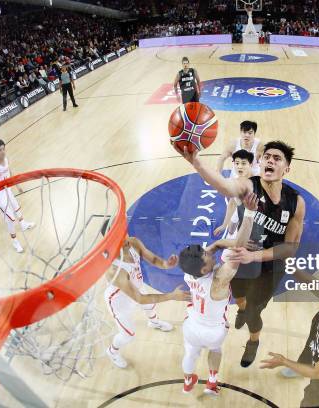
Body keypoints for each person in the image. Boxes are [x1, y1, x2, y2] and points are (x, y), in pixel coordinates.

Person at [177, 140, 306, 368]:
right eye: (267, 157)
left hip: (270, 265)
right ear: (260, 162)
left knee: (256, 311)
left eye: (277, 159)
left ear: (287, 168)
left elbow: (290, 248)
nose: (270, 160)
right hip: (240, 255)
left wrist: (255, 256)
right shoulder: (248, 185)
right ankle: (242, 309)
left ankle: (253, 340)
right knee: (238, 295)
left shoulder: (296, 202)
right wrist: (196, 163)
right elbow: (225, 186)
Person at [178, 192, 258, 396]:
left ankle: (187, 383)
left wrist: (216, 245)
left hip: (192, 325)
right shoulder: (219, 279)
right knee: (215, 351)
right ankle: (211, 383)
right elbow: (239, 248)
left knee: (190, 352)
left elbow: (210, 251)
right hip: (213, 330)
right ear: (205, 269)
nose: (208, 250)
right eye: (206, 254)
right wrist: (249, 212)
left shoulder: (190, 272)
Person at [104, 233, 190, 368]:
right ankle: (112, 352)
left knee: (150, 304)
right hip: (119, 301)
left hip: (135, 286)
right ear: (110, 240)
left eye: (124, 233)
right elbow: (140, 299)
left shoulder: (133, 242)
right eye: (120, 237)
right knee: (128, 335)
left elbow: (154, 260)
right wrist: (171, 296)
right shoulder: (114, 269)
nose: (125, 238)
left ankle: (154, 322)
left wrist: (166, 264)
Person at [0, 140, 35, 253]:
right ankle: (15, 242)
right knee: (10, 219)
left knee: (16, 208)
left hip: (7, 190)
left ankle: (23, 224)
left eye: (3, 149)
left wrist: (17, 186)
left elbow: (10, 173)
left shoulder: (6, 160)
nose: (2, 152)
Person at [214, 149, 254, 240]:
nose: (239, 166)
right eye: (237, 163)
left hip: (255, 216)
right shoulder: (235, 180)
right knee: (231, 230)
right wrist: (224, 225)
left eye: (243, 163)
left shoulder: (257, 182)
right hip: (240, 209)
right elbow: (232, 203)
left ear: (250, 165)